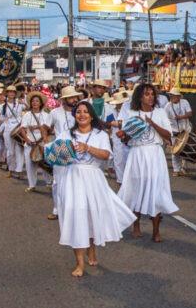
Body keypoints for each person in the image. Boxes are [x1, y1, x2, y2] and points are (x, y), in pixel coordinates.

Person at [51, 101, 136, 277]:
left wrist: (87, 147)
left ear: (91, 115)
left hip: (93, 178)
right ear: (75, 116)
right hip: (72, 178)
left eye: (85, 112)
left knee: (90, 215)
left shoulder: (100, 134)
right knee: (76, 216)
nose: (81, 115)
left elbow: (106, 155)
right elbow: (55, 155)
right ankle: (79, 263)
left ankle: (92, 249)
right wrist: (58, 153)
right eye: (78, 112)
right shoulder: (66, 133)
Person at [117, 83, 178, 242]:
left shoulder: (160, 112)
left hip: (155, 155)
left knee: (156, 192)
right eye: (146, 94)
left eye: (152, 94)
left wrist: (152, 124)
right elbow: (125, 140)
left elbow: (168, 136)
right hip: (137, 154)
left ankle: (156, 231)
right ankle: (136, 226)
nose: (150, 97)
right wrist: (133, 128)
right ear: (139, 97)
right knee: (136, 190)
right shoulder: (131, 113)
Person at [47, 86, 81, 220]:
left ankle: (75, 209)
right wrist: (46, 142)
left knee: (77, 181)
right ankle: (56, 209)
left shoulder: (80, 111)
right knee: (57, 182)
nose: (74, 100)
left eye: (75, 97)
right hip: (60, 150)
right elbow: (45, 127)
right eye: (71, 97)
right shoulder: (55, 112)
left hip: (78, 150)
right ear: (65, 99)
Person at [21, 90, 52, 193]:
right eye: (33, 101)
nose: (35, 103)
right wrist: (27, 140)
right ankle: (32, 185)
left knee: (44, 163)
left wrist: (39, 127)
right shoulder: (27, 115)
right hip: (30, 143)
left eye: (37, 101)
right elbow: (22, 129)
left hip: (42, 142)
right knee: (29, 165)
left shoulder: (46, 115)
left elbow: (49, 129)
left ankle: (49, 182)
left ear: (40, 103)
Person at [164, 87, 192, 177]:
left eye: (175, 96)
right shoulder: (167, 106)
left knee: (185, 150)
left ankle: (183, 168)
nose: (172, 97)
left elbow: (190, 113)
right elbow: (164, 120)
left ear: (179, 96)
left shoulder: (185, 102)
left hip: (185, 130)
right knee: (175, 151)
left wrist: (181, 117)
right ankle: (176, 170)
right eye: (171, 95)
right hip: (174, 131)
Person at [0, 86, 25, 178]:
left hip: (18, 129)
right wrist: (1, 120)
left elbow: (30, 110)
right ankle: (11, 169)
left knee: (19, 150)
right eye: (9, 92)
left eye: (13, 92)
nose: (11, 93)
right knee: (10, 151)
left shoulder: (19, 103)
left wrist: (24, 104)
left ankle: (19, 170)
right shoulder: (3, 106)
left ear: (15, 94)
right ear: (7, 93)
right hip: (8, 130)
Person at [104, 91, 129, 183]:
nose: (120, 105)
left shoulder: (128, 111)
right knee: (118, 159)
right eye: (118, 104)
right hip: (116, 138)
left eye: (121, 103)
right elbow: (109, 124)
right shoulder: (111, 112)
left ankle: (127, 179)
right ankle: (120, 180)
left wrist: (119, 124)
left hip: (127, 138)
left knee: (128, 159)